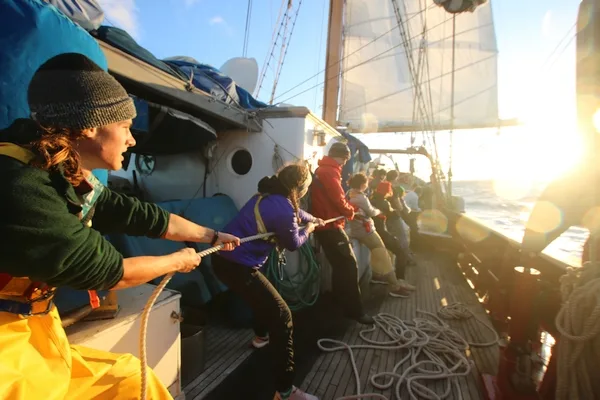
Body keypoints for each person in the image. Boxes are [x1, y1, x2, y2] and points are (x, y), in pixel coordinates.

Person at [0, 53, 240, 400]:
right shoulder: (23, 188)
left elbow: (140, 215)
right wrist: (180, 261)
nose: (132, 140)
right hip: (10, 350)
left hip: (35, 331)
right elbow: (113, 272)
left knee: (131, 380)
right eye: (126, 127)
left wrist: (212, 236)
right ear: (89, 126)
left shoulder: (54, 168)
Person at [213, 163, 323, 400]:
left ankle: (261, 337)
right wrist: (311, 229)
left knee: (261, 298)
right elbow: (293, 242)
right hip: (237, 267)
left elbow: (295, 213)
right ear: (299, 188)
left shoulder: (266, 195)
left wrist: (312, 217)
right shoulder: (282, 209)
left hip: (224, 261)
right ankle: (285, 392)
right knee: (283, 316)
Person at [311, 142, 375, 325]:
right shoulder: (330, 171)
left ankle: (338, 302)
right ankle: (356, 311)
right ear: (340, 156)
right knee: (349, 266)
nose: (344, 162)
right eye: (345, 158)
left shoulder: (321, 169)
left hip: (324, 227)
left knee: (339, 266)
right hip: (331, 227)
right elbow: (338, 197)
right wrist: (349, 211)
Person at [346, 173, 412, 297]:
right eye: (366, 183)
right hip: (365, 230)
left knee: (380, 254)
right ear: (362, 184)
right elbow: (371, 211)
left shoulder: (350, 193)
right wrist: (379, 211)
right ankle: (395, 286)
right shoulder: (360, 197)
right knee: (383, 255)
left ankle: (380, 276)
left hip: (358, 229)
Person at [370, 182, 416, 291]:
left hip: (374, 231)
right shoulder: (384, 203)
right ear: (387, 191)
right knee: (401, 253)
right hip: (381, 233)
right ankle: (400, 281)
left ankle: (380, 276)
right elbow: (394, 214)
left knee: (386, 254)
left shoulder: (371, 200)